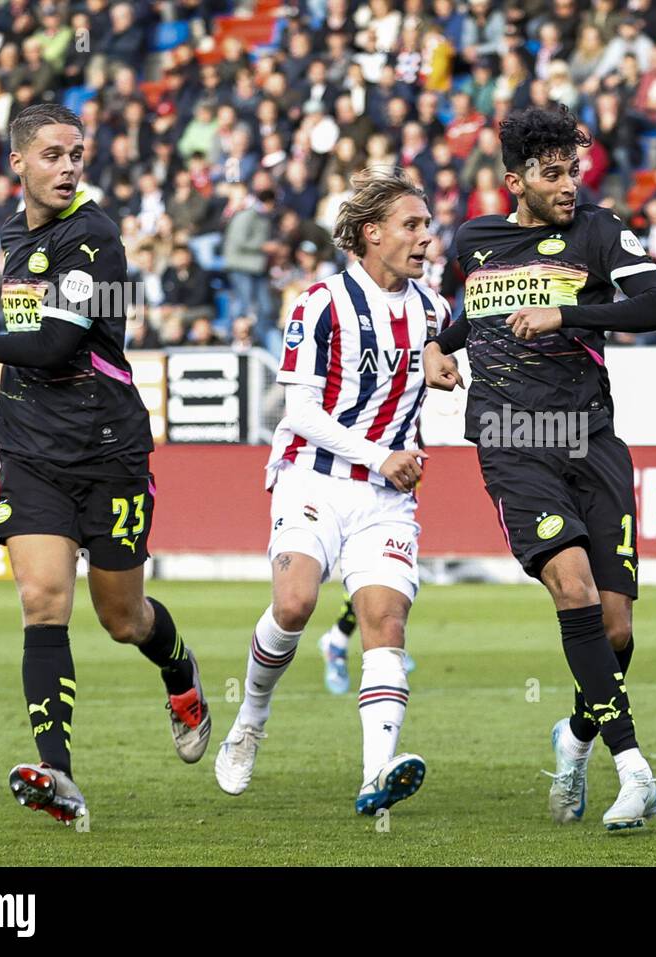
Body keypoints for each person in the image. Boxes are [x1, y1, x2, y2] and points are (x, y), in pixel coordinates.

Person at [0, 103, 210, 825]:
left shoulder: (96, 238)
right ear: (18, 161)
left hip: (109, 449)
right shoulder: (15, 233)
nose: (69, 165)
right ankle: (58, 774)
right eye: (53, 154)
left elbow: (53, 348)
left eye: (77, 153)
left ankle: (181, 672)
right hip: (33, 447)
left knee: (122, 616)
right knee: (42, 601)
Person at [423, 104, 656, 831]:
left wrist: (567, 315)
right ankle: (635, 770)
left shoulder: (598, 232)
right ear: (516, 180)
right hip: (510, 439)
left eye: (575, 170)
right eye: (552, 172)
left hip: (592, 440)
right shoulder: (475, 241)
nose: (569, 183)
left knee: (617, 628)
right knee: (571, 589)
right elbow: (460, 320)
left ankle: (573, 735)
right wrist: (439, 350)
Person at [214, 168, 448, 816]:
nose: (425, 236)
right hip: (313, 474)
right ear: (372, 234)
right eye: (412, 224)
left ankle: (377, 774)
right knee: (293, 605)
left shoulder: (435, 309)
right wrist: (382, 454)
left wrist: (446, 363)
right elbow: (300, 411)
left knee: (385, 621)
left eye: (426, 224)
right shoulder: (319, 303)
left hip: (387, 498)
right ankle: (251, 719)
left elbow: (443, 360)